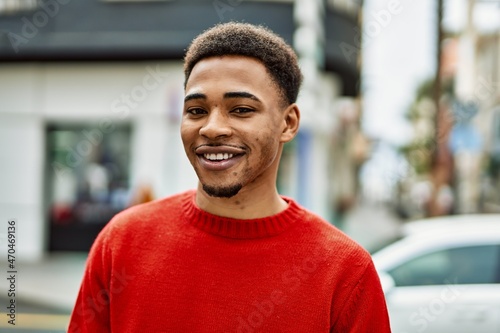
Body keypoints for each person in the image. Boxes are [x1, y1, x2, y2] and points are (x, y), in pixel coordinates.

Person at [68, 22, 391, 332]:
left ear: (288, 123)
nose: (212, 128)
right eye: (196, 111)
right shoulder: (121, 242)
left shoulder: (346, 271)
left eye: (241, 110)